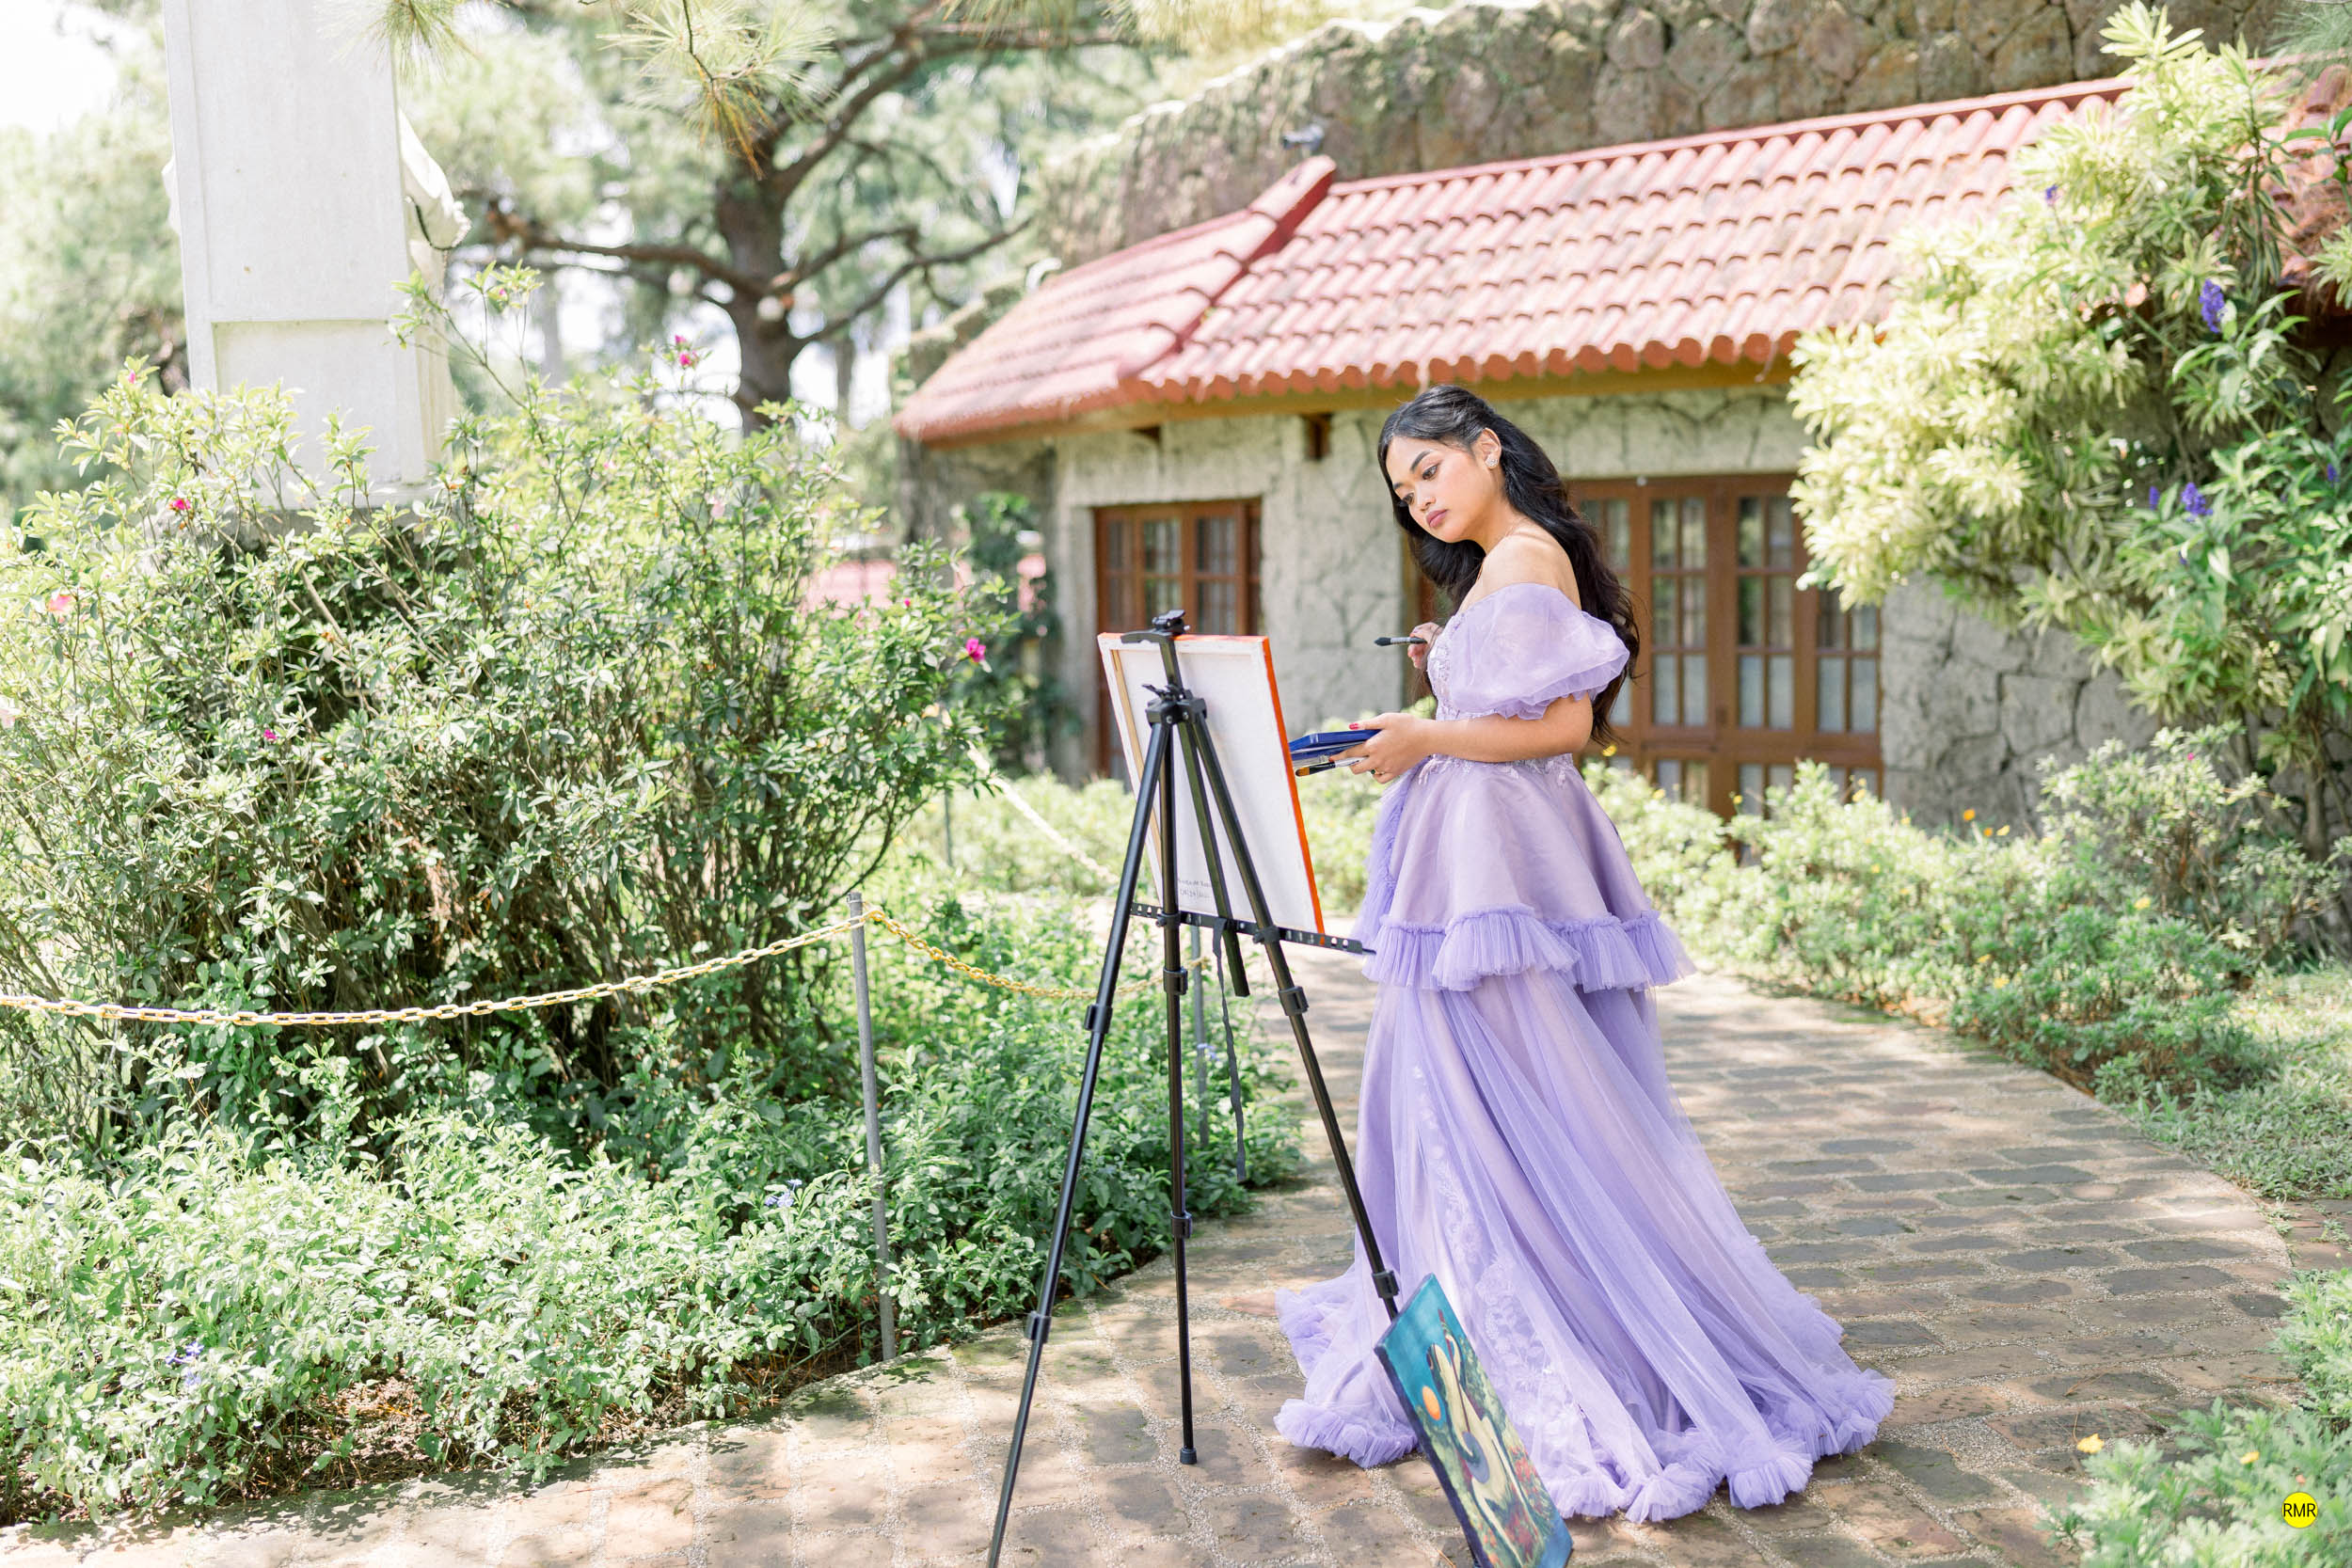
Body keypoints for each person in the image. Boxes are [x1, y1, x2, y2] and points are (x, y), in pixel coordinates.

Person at [1278, 385, 1893, 1521]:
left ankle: (1544, 1321)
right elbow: (1519, 704)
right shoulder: (1505, 564)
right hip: (1484, 852)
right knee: (1477, 1091)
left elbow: (1561, 726)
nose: (1418, 500)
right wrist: (1443, 673)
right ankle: (1481, 1305)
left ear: (1485, 447)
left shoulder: (1522, 559)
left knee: (1502, 1089)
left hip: (1499, 860)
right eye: (1402, 490)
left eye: (1428, 470)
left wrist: (1421, 731)